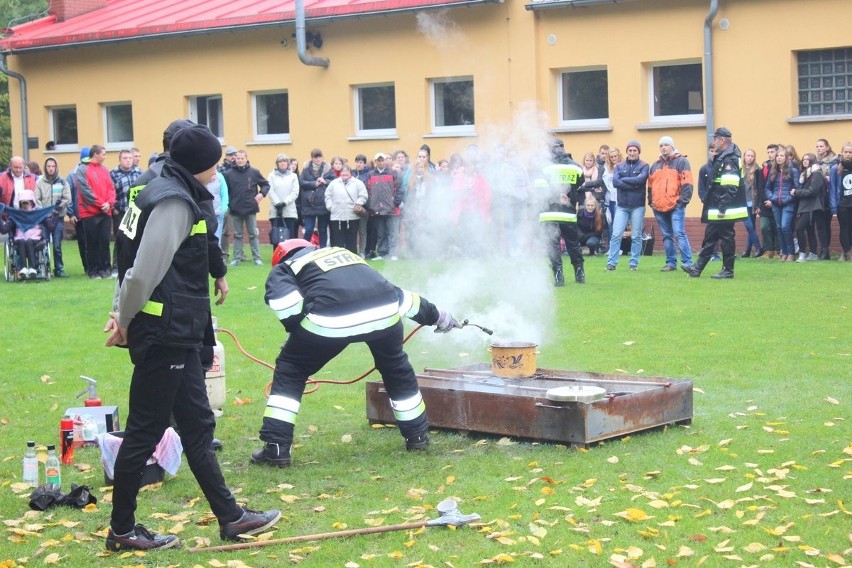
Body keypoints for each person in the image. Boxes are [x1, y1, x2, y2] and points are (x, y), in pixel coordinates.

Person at [104, 123, 280, 551]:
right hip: (164, 331)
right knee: (145, 431)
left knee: (199, 424)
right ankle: (122, 531)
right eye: (215, 165)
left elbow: (131, 258)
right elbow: (142, 269)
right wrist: (123, 316)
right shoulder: (173, 201)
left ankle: (232, 518)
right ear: (199, 165)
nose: (218, 172)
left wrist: (120, 307)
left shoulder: (166, 186)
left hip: (177, 330)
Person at [250, 238, 463, 467]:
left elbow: (287, 306)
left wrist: (297, 334)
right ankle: (417, 436)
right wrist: (439, 317)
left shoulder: (286, 267)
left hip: (329, 322)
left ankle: (277, 449)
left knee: (291, 369)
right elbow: (395, 293)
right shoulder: (344, 254)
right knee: (396, 369)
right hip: (385, 316)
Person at [683, 127, 747, 279]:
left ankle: (727, 270)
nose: (714, 142)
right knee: (710, 236)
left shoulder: (729, 159)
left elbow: (730, 186)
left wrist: (723, 206)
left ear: (723, 140)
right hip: (719, 206)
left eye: (716, 139)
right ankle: (697, 268)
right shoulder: (725, 156)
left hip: (724, 207)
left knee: (726, 238)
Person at [540, 139, 585, 285]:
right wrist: (571, 199)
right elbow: (580, 188)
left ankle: (558, 275)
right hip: (568, 212)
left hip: (549, 212)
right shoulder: (576, 167)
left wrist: (555, 196)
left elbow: (540, 190)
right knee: (573, 243)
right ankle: (579, 272)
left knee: (553, 245)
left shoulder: (544, 167)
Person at [647, 135, 694, 272]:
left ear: (672, 147)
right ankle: (671, 263)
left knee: (679, 233)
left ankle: (687, 262)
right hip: (659, 207)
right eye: (661, 145)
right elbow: (650, 186)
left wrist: (682, 202)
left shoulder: (682, 162)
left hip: (676, 205)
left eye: (666, 145)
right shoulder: (655, 165)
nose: (663, 148)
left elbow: (688, 184)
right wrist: (651, 202)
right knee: (667, 236)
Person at [606, 141, 648, 271]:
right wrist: (633, 184)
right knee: (616, 234)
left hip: (638, 206)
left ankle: (633, 263)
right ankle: (612, 262)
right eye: (630, 150)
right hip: (622, 206)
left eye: (635, 150)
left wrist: (625, 180)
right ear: (626, 152)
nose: (632, 152)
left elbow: (641, 181)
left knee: (636, 236)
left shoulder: (644, 165)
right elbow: (615, 182)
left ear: (638, 152)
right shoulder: (619, 166)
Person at [76, 145, 116, 279]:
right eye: (103, 154)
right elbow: (85, 191)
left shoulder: (105, 170)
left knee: (104, 241)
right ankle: (93, 271)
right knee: (92, 242)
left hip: (105, 212)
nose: (105, 157)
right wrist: (101, 204)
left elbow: (111, 188)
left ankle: (106, 269)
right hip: (89, 213)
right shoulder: (82, 170)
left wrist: (109, 203)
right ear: (96, 155)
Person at [223, 150, 269, 266]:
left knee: (253, 234)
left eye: (242, 158)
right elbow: (225, 190)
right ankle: (236, 259)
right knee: (237, 235)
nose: (240, 160)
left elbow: (266, 184)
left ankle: (257, 258)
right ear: (235, 159)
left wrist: (261, 194)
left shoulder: (254, 172)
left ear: (246, 159)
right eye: (238, 158)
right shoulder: (228, 174)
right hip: (235, 208)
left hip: (250, 208)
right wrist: (228, 203)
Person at [34, 157, 72, 277]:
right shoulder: (40, 182)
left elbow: (67, 198)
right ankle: (44, 267)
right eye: (48, 166)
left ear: (56, 167)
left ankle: (59, 268)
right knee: (43, 243)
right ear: (45, 167)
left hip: (58, 218)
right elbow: (36, 199)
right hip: (44, 218)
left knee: (56, 245)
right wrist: (44, 212)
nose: (51, 169)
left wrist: (58, 207)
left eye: (53, 166)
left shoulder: (62, 181)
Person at [763, 146, 799, 262]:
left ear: (787, 158)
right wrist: (772, 197)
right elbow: (767, 188)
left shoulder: (793, 171)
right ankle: (784, 252)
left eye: (781, 156)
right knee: (779, 228)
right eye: (777, 156)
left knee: (785, 227)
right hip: (776, 204)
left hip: (788, 203)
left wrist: (788, 198)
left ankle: (791, 253)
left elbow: (796, 188)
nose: (779, 158)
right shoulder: (773, 171)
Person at [110, 149, 143, 273]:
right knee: (120, 239)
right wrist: (113, 208)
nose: (128, 160)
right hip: (120, 211)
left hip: (135, 211)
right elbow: (109, 191)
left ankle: (133, 265)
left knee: (136, 238)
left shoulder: (139, 173)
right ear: (120, 159)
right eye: (125, 158)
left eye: (130, 158)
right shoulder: (113, 174)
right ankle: (116, 266)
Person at [365, 152, 402, 260]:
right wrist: (370, 205)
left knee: (392, 232)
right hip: (377, 210)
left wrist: (396, 203)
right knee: (380, 233)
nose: (381, 162)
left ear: (386, 161)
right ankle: (382, 253)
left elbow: (399, 189)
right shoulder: (370, 175)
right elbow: (366, 191)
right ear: (375, 162)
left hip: (391, 209)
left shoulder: (393, 173)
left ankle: (393, 253)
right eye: (378, 160)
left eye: (382, 160)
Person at [0, 189, 43, 278]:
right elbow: (4, 230)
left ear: (31, 203)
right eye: (23, 203)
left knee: (28, 241)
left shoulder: (37, 214)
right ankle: (23, 268)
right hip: (20, 238)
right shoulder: (16, 215)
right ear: (20, 203)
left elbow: (50, 225)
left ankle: (32, 268)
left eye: (26, 203)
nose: (25, 205)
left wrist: (55, 213)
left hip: (34, 238)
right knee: (22, 241)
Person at [324, 165, 367, 253]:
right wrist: (330, 207)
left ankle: (352, 258)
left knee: (351, 240)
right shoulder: (334, 183)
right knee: (337, 241)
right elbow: (327, 196)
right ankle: (338, 258)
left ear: (350, 173)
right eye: (343, 172)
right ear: (340, 173)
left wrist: (358, 204)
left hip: (352, 215)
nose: (344, 173)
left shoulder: (358, 183)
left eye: (346, 171)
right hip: (336, 216)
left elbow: (363, 195)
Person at [793, 153, 826, 262]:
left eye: (808, 159)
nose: (805, 161)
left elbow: (812, 191)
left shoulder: (816, 174)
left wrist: (797, 192)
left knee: (799, 228)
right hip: (804, 206)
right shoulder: (804, 175)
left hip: (813, 206)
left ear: (812, 161)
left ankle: (802, 254)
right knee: (809, 229)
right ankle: (813, 253)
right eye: (803, 159)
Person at [299, 148, 333, 249]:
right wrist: (314, 184)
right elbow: (301, 182)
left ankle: (323, 249)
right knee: (309, 229)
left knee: (323, 230)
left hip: (323, 204)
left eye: (319, 157)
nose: (318, 159)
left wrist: (325, 181)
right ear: (312, 158)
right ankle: (304, 249)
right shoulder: (306, 169)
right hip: (309, 205)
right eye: (316, 157)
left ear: (322, 157)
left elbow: (334, 182)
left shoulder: (327, 168)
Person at [267, 154, 300, 247]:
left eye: (284, 161)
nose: (282, 163)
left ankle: (289, 258)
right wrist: (277, 203)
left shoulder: (293, 176)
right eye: (280, 161)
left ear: (288, 163)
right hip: (275, 211)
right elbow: (270, 190)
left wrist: (285, 203)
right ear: (277, 163)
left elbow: (295, 192)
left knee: (289, 237)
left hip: (289, 211)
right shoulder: (271, 176)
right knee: (277, 237)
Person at [829, 142, 852, 261]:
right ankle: (846, 251)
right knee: (844, 227)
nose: (848, 154)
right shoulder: (835, 168)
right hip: (842, 203)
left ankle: (848, 251)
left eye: (850, 152)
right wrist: (833, 206)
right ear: (842, 153)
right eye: (846, 152)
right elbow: (832, 188)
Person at [740, 148, 765, 258]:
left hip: (753, 202)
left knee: (751, 227)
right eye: (748, 155)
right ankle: (755, 249)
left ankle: (755, 249)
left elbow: (760, 188)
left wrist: (759, 205)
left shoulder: (757, 170)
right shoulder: (740, 169)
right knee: (750, 227)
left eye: (752, 156)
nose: (749, 158)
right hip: (742, 202)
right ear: (744, 157)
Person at [218, 147, 238, 261]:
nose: (233, 157)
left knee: (238, 230)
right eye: (231, 155)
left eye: (234, 155)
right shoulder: (221, 170)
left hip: (236, 202)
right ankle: (224, 253)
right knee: (224, 230)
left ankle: (238, 254)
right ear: (226, 157)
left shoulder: (238, 168)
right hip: (225, 203)